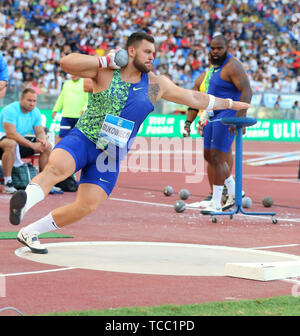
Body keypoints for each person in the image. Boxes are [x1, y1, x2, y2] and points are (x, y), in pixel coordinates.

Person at [9, 32, 250, 254]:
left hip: (110, 154)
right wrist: (104, 61)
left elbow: (193, 97)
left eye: (154, 53)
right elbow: (67, 63)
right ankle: (23, 203)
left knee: (87, 205)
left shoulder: (156, 84)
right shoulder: (105, 72)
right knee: (57, 168)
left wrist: (229, 104)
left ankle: (30, 232)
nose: (152, 57)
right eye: (147, 52)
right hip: (84, 138)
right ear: (131, 51)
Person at [183, 35, 252, 213]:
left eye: (219, 48)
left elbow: (247, 91)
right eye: (212, 48)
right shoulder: (213, 68)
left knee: (218, 157)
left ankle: (216, 203)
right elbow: (202, 98)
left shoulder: (232, 66)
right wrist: (194, 119)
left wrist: (239, 118)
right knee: (209, 156)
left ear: (226, 48)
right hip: (213, 115)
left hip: (228, 115)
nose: (215, 52)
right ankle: (236, 192)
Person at [0, 88, 52, 193]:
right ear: (21, 99)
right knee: (11, 143)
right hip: (4, 140)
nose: (32, 104)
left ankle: (43, 182)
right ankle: (8, 182)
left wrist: (42, 142)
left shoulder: (35, 112)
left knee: (47, 146)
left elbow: (40, 132)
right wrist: (33, 145)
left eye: (34, 101)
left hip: (19, 142)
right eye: (29, 100)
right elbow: (11, 134)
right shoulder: (10, 110)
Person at [52, 75, 89, 142]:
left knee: (79, 138)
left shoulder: (85, 83)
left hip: (79, 117)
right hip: (66, 116)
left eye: (75, 73)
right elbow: (61, 98)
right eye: (72, 73)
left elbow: (88, 98)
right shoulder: (66, 83)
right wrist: (55, 110)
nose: (73, 75)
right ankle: (59, 152)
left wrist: (84, 109)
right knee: (62, 137)